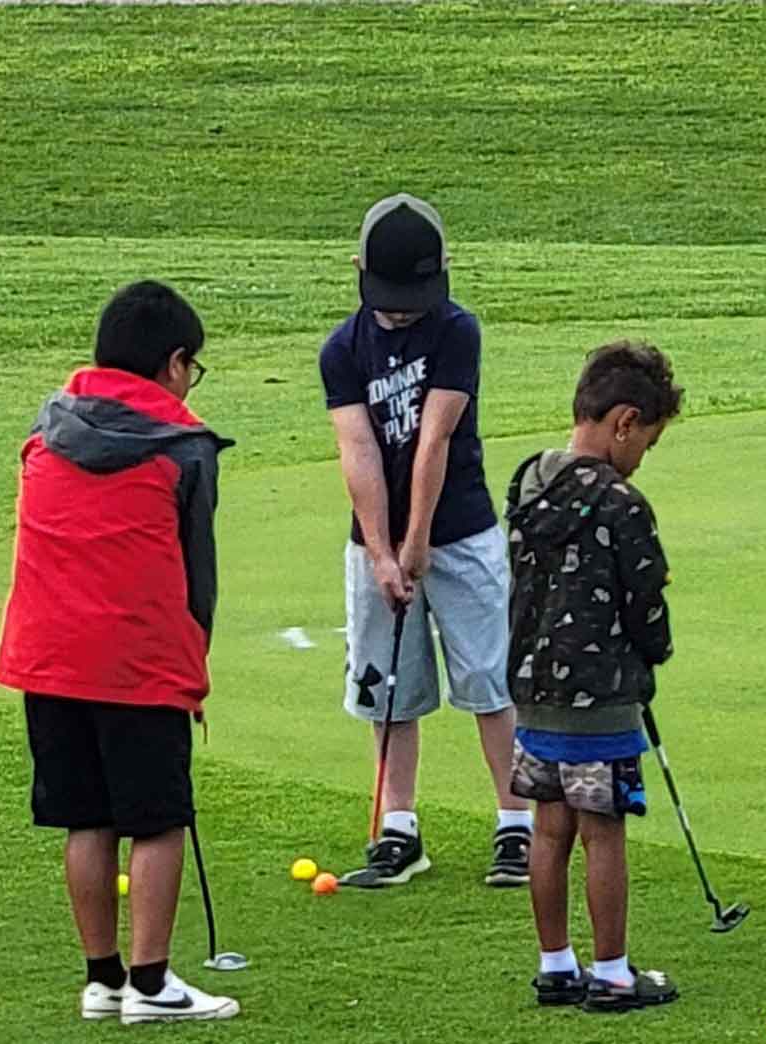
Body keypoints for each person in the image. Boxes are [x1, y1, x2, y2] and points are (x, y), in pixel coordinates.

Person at [0, 281, 237, 1024]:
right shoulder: (185, 450)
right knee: (158, 820)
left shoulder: (47, 430)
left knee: (87, 818)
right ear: (173, 363)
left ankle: (102, 979)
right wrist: (192, 669)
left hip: (49, 654)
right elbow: (198, 576)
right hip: (136, 659)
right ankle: (153, 984)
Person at [319, 193, 531, 889]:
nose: (402, 311)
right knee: (388, 687)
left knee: (489, 680)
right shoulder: (342, 350)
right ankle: (398, 829)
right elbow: (359, 450)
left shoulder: (456, 330)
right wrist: (380, 552)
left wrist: (417, 543)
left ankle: (516, 824)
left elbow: (434, 437)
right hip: (373, 542)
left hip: (462, 532)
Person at [505, 342, 684, 1013]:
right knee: (603, 830)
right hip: (601, 697)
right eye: (648, 442)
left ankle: (556, 965)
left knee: (550, 830)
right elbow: (646, 603)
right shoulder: (622, 502)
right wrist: (653, 655)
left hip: (533, 690)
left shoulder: (530, 482)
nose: (642, 458)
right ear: (624, 422)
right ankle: (611, 972)